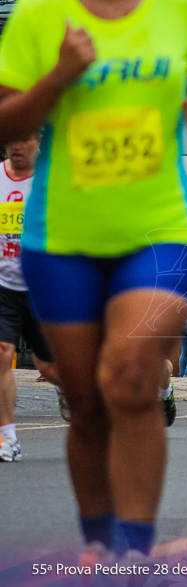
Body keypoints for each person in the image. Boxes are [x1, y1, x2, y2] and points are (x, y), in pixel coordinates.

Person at [0, 0, 187, 556]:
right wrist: (63, 73)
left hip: (160, 226)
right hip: (62, 234)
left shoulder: (182, 5)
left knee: (129, 376)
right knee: (85, 399)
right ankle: (98, 541)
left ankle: (133, 550)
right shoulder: (38, 14)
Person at [0, 134, 57, 462]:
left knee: (50, 369)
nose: (15, 146)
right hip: (4, 286)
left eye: (23, 139)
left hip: (42, 287)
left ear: (39, 141)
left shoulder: (51, 185)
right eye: (11, 138)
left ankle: (66, 390)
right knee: (2, 352)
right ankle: (7, 438)